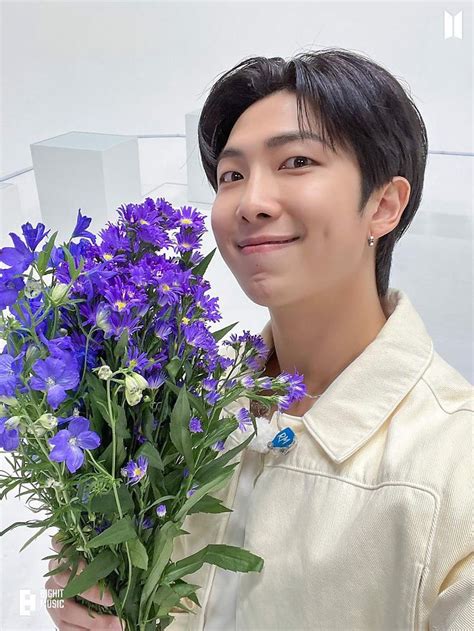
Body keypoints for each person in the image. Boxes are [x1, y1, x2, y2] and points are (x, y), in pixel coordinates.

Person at [46, 47, 473, 630]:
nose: (250, 202)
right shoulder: (172, 403)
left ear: (384, 204)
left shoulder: (455, 466)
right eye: (231, 175)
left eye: (296, 162)